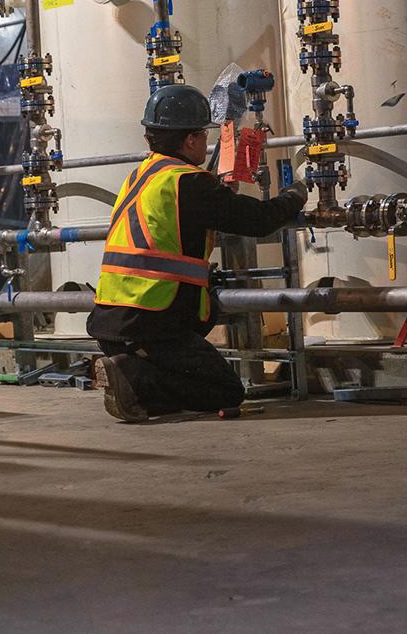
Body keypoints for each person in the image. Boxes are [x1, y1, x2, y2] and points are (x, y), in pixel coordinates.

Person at [88, 84, 308, 422]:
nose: (205, 145)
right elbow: (259, 220)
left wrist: (218, 196)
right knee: (225, 392)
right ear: (189, 140)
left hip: (113, 320)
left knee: (191, 378)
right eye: (202, 137)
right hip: (152, 320)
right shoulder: (187, 181)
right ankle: (134, 376)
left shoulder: (141, 176)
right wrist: (295, 195)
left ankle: (132, 382)